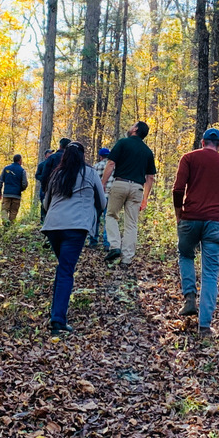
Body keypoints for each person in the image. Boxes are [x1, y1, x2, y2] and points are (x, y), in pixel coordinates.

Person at [172, 127, 219, 336]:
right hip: (216, 224)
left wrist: (179, 214)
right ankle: (204, 326)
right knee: (210, 273)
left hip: (190, 219)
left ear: (202, 142)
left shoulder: (188, 158)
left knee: (186, 254)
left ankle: (189, 298)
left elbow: (177, 190)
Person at [41, 142, 106, 334]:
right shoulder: (90, 173)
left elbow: (46, 204)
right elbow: (102, 201)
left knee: (63, 268)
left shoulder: (56, 174)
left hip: (53, 227)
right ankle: (57, 319)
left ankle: (56, 313)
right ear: (82, 155)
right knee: (65, 270)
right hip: (76, 227)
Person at [101, 121, 156, 267]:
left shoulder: (123, 143)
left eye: (132, 125)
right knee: (131, 224)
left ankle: (115, 246)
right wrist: (145, 198)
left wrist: (102, 183)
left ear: (135, 129)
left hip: (120, 184)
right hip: (137, 188)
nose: (130, 127)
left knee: (111, 215)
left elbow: (111, 163)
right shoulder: (147, 151)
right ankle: (126, 259)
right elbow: (150, 177)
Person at [37, 139, 69, 222]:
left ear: (60, 146)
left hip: (52, 187)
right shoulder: (71, 159)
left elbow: (45, 175)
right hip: (66, 188)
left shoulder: (52, 158)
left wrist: (45, 188)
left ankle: (49, 223)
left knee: (49, 206)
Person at [0, 154, 28, 225]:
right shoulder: (22, 171)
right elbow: (24, 184)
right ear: (20, 160)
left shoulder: (6, 169)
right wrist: (20, 189)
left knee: (4, 210)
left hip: (6, 193)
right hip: (17, 195)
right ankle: (10, 227)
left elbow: (0, 181)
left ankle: (5, 223)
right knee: (13, 211)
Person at [91, 147, 113, 249]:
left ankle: (93, 240)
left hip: (98, 197)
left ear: (100, 157)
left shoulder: (95, 167)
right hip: (111, 196)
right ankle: (107, 243)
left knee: (95, 218)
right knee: (108, 219)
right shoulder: (114, 167)